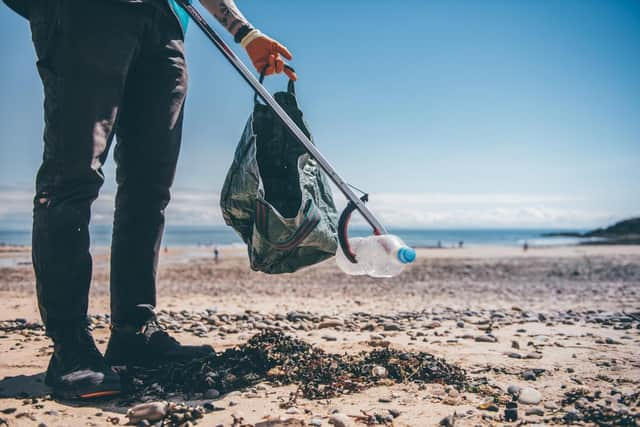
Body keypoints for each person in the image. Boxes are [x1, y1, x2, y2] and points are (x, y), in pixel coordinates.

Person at [3, 0, 296, 400]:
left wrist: (243, 32)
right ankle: (70, 348)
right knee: (72, 177)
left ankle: (134, 334)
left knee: (149, 187)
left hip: (165, 22)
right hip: (83, 14)